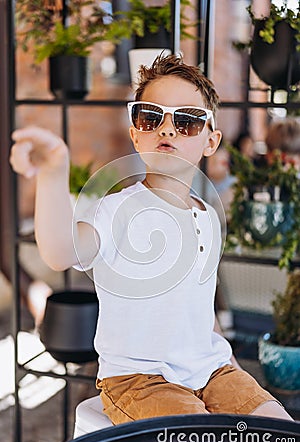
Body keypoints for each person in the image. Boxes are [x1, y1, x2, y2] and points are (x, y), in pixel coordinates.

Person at [10, 54, 292, 423]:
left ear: (211, 141)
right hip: (138, 379)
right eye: (151, 116)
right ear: (135, 132)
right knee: (199, 441)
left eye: (187, 121)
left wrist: (231, 367)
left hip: (213, 370)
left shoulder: (209, 219)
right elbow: (61, 251)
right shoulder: (116, 210)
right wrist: (52, 172)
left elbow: (201, 310)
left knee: (278, 429)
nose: (168, 129)